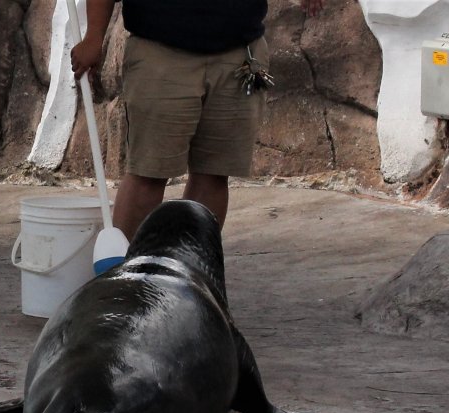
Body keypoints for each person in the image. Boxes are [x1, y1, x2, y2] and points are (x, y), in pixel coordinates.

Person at [71, 0, 323, 237]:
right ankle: (125, 273)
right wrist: (94, 37)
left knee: (214, 172)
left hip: (239, 53)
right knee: (148, 174)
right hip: (161, 50)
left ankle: (190, 266)